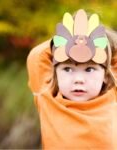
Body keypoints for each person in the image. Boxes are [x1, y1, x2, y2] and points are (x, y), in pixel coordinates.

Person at [27, 9, 117, 149]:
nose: (79, 79)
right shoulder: (47, 97)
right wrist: (66, 39)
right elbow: (36, 57)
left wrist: (98, 38)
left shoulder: (113, 96)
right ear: (55, 73)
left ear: (106, 75)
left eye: (89, 69)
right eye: (68, 69)